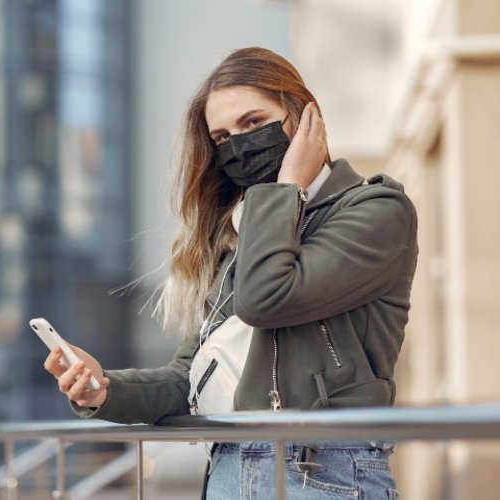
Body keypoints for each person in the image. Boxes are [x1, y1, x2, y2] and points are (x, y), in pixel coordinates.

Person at [43, 47, 418, 499]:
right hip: (229, 469)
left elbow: (264, 300)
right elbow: (192, 380)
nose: (238, 145)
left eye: (254, 122)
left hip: (323, 471)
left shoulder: (374, 211)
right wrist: (103, 390)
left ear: (303, 117)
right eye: (221, 137)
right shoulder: (243, 233)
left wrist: (286, 189)